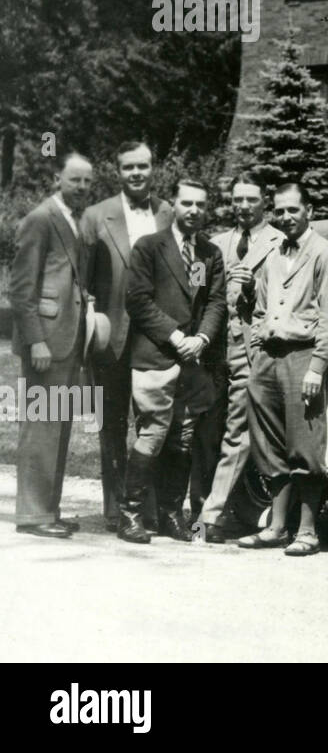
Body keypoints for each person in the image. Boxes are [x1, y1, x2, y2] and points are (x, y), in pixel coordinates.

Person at [119, 178, 225, 544]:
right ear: (174, 205)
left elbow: (216, 302)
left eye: (200, 204)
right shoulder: (149, 247)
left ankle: (169, 514)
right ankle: (130, 515)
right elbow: (138, 301)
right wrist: (177, 337)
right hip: (156, 357)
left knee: (183, 437)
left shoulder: (210, 253)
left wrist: (203, 339)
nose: (193, 211)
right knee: (152, 434)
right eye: (186, 203)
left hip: (193, 361)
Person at [240, 183, 328, 557]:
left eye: (293, 211)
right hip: (268, 357)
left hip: (303, 358)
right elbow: (258, 310)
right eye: (279, 211)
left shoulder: (324, 254)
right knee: (268, 443)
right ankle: (276, 527)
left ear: (309, 211)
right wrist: (256, 353)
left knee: (305, 445)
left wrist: (317, 367)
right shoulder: (272, 254)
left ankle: (308, 532)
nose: (285, 217)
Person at [81, 142, 172, 529]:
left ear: (154, 169)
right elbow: (81, 278)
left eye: (143, 166)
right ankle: (116, 508)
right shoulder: (97, 216)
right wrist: (89, 318)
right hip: (113, 336)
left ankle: (147, 507)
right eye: (128, 167)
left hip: (157, 337)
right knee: (113, 423)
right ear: (117, 171)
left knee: (156, 422)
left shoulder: (168, 213)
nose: (137, 173)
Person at [191, 173, 281, 542]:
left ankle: (209, 518)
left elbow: (282, 297)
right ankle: (200, 508)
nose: (244, 206)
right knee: (204, 433)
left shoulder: (279, 244)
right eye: (238, 199)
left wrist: (251, 287)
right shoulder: (215, 244)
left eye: (251, 199)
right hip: (213, 353)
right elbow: (194, 292)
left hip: (251, 352)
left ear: (265, 201)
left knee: (237, 434)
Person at [10, 153, 94, 538]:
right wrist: (35, 341)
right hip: (46, 340)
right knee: (41, 426)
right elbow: (21, 289)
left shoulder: (74, 220)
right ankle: (32, 515)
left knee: (57, 426)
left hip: (68, 337)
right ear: (58, 177)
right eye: (74, 179)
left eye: (87, 182)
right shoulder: (41, 218)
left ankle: (49, 510)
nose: (81, 187)